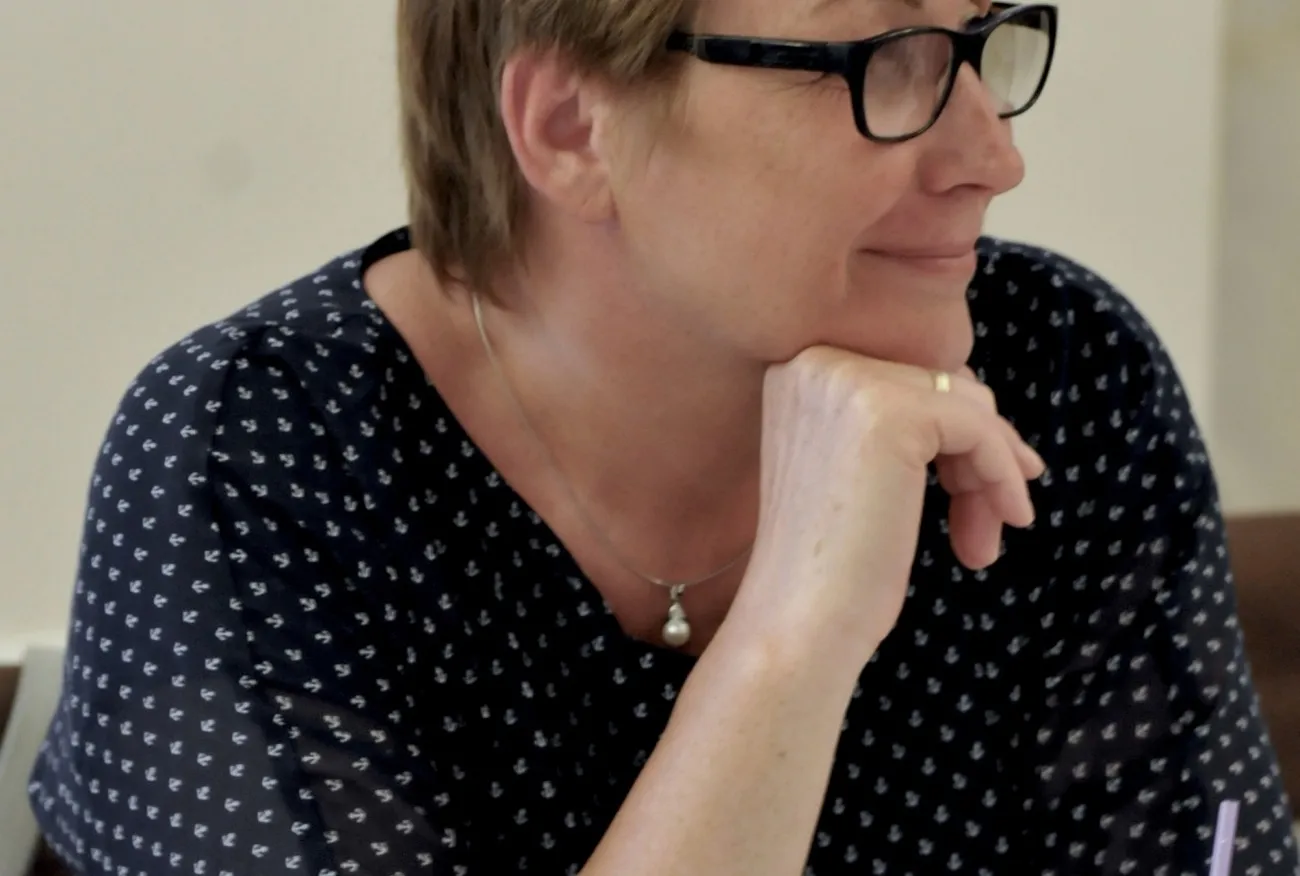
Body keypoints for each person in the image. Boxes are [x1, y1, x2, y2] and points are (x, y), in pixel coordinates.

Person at [26, 0, 1299, 873]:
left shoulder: (1061, 371)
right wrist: (791, 642)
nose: (992, 155)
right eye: (886, 58)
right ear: (571, 126)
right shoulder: (252, 458)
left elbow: (1215, 851)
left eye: (981, 40)